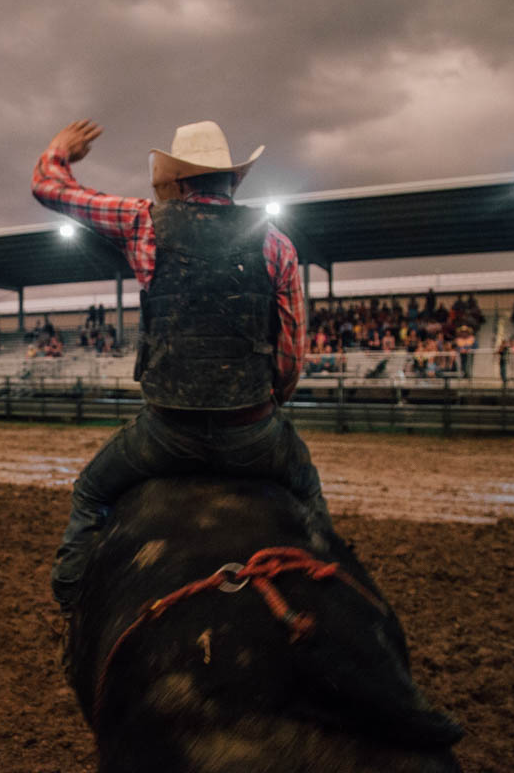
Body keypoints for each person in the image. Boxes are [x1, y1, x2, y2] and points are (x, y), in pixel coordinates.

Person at [33, 118, 328, 610]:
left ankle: (70, 594)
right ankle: (324, 586)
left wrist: (60, 150)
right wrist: (263, 405)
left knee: (90, 491)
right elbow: (291, 356)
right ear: (233, 180)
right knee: (307, 488)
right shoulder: (276, 244)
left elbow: (49, 187)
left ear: (178, 180)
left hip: (167, 432)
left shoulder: (144, 222)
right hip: (251, 430)